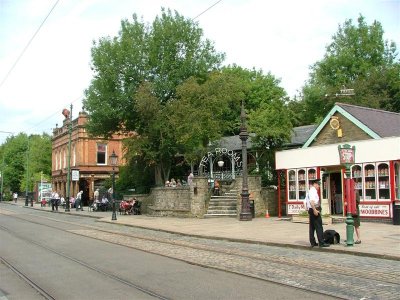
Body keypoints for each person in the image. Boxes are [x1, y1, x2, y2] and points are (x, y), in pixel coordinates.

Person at [306, 179, 329, 248]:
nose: (319, 186)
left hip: (311, 209)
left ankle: (313, 242)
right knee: (319, 226)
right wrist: (315, 210)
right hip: (314, 209)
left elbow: (306, 201)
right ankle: (321, 242)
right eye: (318, 185)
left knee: (312, 227)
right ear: (315, 184)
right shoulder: (313, 191)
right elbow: (312, 202)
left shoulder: (310, 190)